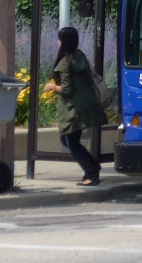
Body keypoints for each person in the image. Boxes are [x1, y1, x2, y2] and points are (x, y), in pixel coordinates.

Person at [42, 26, 106, 186]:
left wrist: (52, 87)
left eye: (59, 39)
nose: (57, 42)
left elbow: (68, 90)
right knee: (68, 139)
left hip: (74, 108)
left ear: (64, 42)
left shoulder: (65, 63)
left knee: (71, 142)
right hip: (86, 103)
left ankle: (92, 173)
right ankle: (93, 167)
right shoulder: (79, 56)